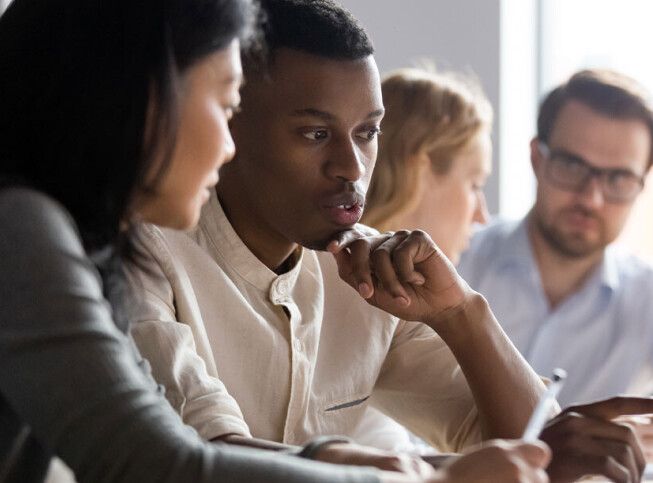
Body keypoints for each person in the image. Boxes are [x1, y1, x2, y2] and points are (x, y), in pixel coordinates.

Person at [0, 0, 552, 482]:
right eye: (222, 102)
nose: (225, 142)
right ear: (138, 99)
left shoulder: (72, 237)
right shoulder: (27, 230)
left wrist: (461, 312)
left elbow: (533, 448)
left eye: (368, 133)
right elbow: (157, 463)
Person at [361, 66, 653, 482]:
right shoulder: (408, 283)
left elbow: (508, 440)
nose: (592, 197)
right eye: (475, 184)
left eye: (618, 178)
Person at [456, 69, 653, 462]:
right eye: (572, 166)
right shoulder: (457, 261)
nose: (592, 198)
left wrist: (608, 441)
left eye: (619, 178)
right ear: (537, 158)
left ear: (641, 185)